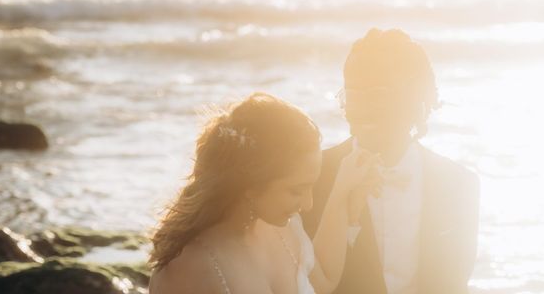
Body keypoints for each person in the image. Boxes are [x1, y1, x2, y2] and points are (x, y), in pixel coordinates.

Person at [302, 28, 480, 294]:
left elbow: (454, 284)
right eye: (353, 95)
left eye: (376, 94)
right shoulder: (311, 177)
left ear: (415, 97)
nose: (360, 109)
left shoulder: (458, 184)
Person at [148, 92, 380, 294]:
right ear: (251, 185)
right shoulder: (189, 268)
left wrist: (343, 193)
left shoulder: (283, 228)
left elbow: (323, 281)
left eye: (311, 186)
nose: (308, 204)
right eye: (295, 190)